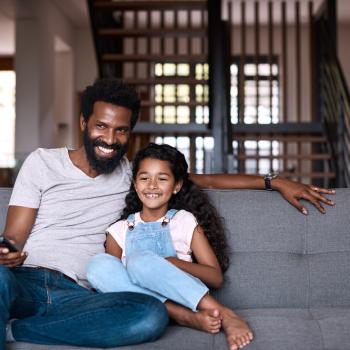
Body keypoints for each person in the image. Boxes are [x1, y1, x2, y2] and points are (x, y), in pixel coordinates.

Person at [0, 79, 334, 348]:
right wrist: (6, 251)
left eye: (121, 131)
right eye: (101, 126)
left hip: (85, 294)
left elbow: (209, 179)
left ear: (130, 133)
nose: (110, 139)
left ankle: (20, 332)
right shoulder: (43, 162)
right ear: (84, 122)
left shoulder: (135, 177)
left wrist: (273, 181)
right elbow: (13, 236)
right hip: (25, 280)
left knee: (149, 317)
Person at [87, 143, 255, 350]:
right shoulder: (119, 230)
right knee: (97, 265)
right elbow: (115, 284)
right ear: (135, 183)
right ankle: (183, 317)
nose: (152, 185)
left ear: (176, 185)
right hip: (144, 307)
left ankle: (224, 314)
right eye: (144, 178)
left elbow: (215, 278)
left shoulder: (183, 220)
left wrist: (172, 263)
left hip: (187, 296)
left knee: (141, 261)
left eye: (162, 178)